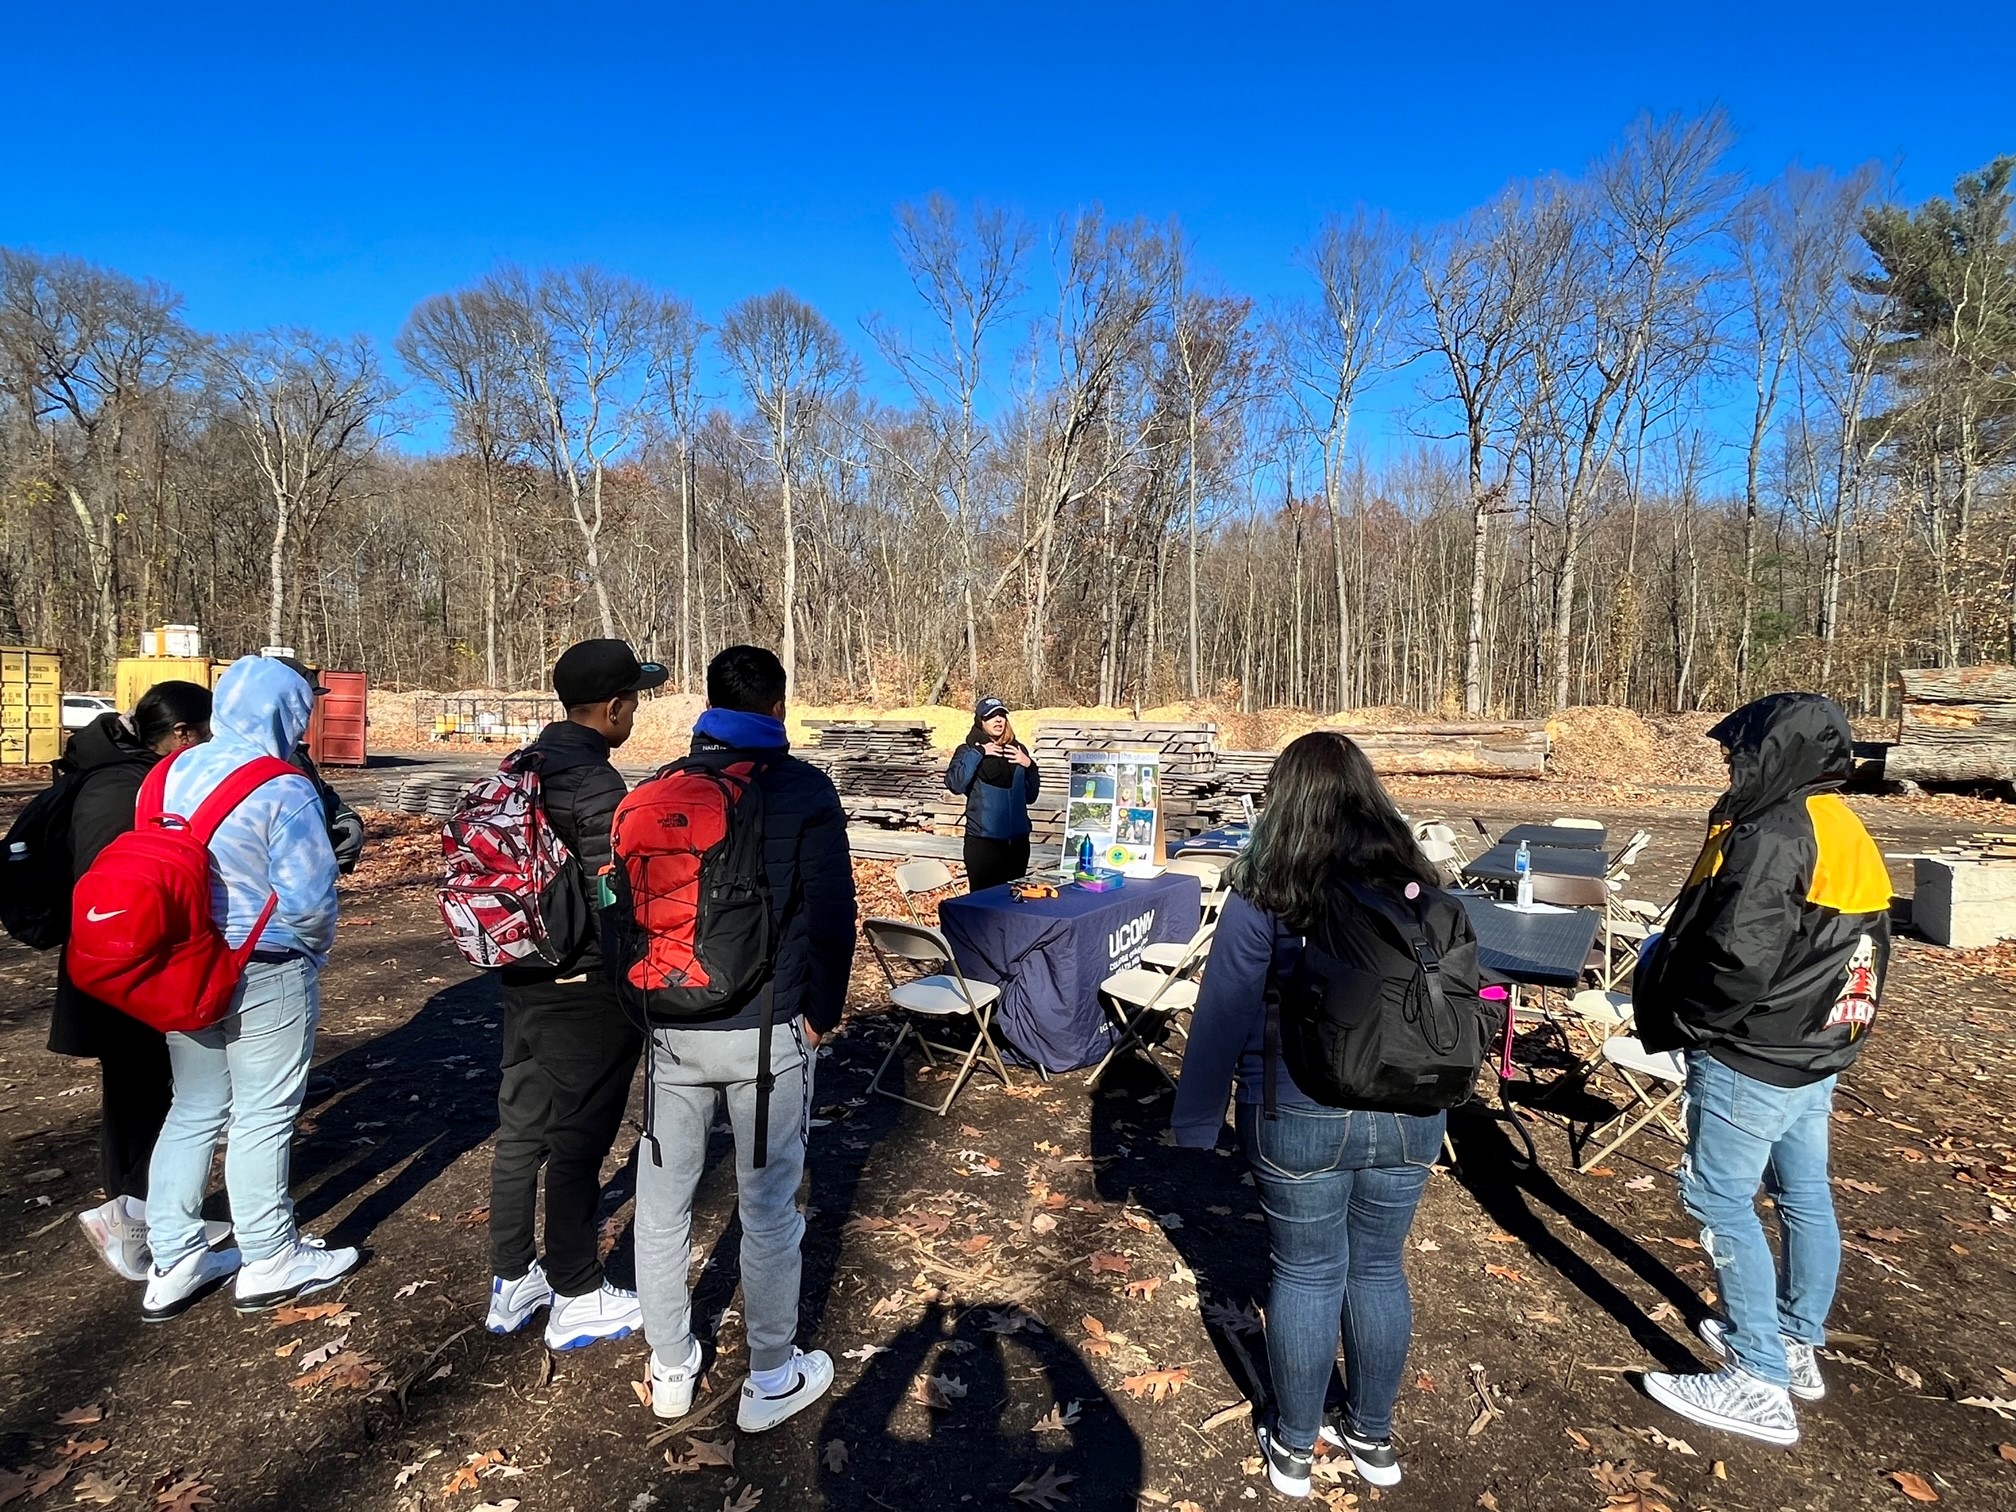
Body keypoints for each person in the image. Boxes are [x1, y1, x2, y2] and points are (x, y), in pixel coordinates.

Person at [1170, 732, 1453, 1496]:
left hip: (1295, 1109)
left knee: (1305, 1270)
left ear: (1283, 797)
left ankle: (1294, 1445)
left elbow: (1224, 1008)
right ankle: (1372, 1436)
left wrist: (1196, 1120)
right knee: (1377, 1268)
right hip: (1409, 1109)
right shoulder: (1420, 882)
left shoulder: (1268, 887)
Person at [1634, 692, 1891, 1447]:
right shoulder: (1838, 825)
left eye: (1741, 752)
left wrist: (1694, 1026)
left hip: (1756, 1050)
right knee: (1804, 1192)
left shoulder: (1772, 835)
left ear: (1775, 753)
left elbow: (1737, 955)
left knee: (1717, 1199)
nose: (1729, 763)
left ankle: (1757, 1378)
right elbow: (1868, 951)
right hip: (1816, 1047)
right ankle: (1792, 1338)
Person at [635, 645, 856, 1434]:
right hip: (768, 1034)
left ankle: (670, 1367)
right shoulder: (802, 789)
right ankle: (770, 1375)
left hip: (670, 1027)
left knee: (661, 1206)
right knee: (767, 1207)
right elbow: (832, 914)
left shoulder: (661, 787)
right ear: (777, 708)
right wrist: (821, 1011)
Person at [142, 656, 354, 1321]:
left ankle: (173, 1255)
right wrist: (312, 954)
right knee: (262, 1111)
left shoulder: (169, 771)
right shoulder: (282, 786)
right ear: (284, 712)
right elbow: (309, 897)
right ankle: (269, 1256)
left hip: (182, 962)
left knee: (194, 1106)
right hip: (264, 965)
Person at [486, 639, 660, 1349]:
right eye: (635, 701)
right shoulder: (595, 785)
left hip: (521, 967)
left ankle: (511, 1277)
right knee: (580, 1139)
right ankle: (577, 1289)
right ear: (614, 707)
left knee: (522, 1126)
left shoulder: (522, 765)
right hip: (582, 981)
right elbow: (611, 890)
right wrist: (632, 972)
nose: (636, 713)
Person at [54, 681, 213, 1281]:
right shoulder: (126, 788)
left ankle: (150, 1213)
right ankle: (128, 1220)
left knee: (148, 1089)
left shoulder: (120, 776)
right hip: (122, 966)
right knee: (136, 1094)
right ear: (183, 736)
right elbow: (120, 887)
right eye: (206, 734)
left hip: (117, 962)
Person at [272, 658, 367, 875]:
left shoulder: (294, 751)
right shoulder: (260, 759)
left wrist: (346, 818)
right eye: (302, 701)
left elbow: (319, 790)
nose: (308, 711)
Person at [945, 697, 1040, 892]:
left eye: (1001, 715)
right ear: (981, 721)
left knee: (1012, 905)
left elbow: (1031, 796)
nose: (998, 720)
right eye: (991, 717)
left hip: (1017, 845)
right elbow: (955, 783)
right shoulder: (968, 750)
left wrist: (1029, 766)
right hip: (983, 844)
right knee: (984, 906)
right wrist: (979, 753)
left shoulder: (1018, 750)